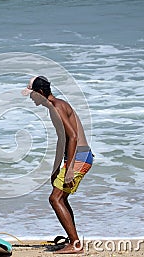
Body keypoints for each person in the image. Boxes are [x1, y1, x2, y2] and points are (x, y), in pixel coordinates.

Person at [23, 76, 94, 254]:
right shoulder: (55, 106)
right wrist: (56, 169)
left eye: (31, 94)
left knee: (55, 199)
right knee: (61, 198)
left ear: (40, 93)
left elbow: (73, 137)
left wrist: (69, 168)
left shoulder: (56, 107)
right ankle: (73, 240)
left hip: (80, 157)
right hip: (79, 156)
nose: (30, 98)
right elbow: (62, 140)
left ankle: (76, 244)